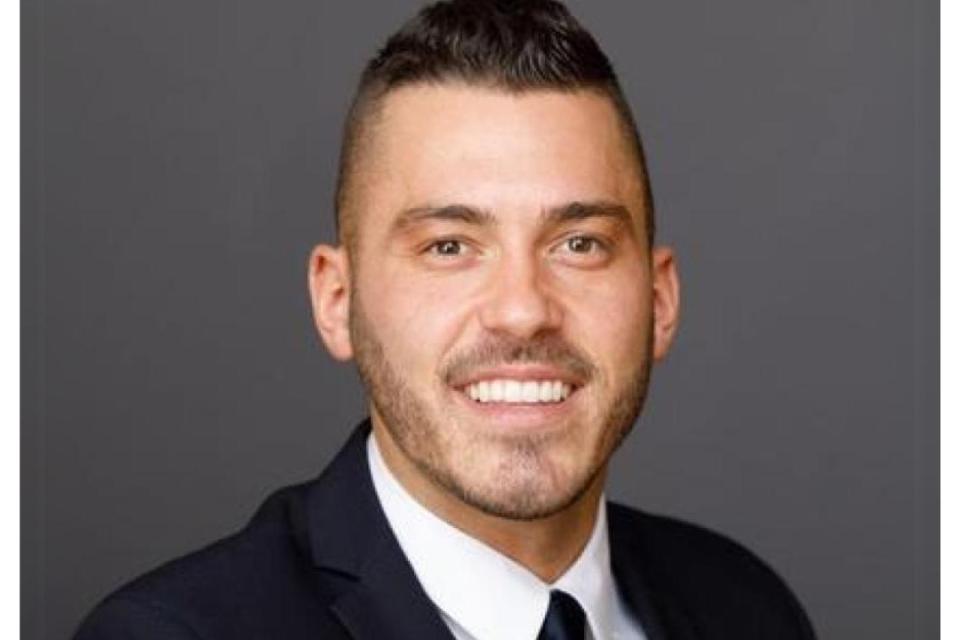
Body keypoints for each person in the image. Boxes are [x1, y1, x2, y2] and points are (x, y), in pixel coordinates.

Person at [75, 1, 817, 638]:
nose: (522, 310)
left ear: (660, 300)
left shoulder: (745, 607)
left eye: (579, 244)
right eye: (450, 246)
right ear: (337, 300)